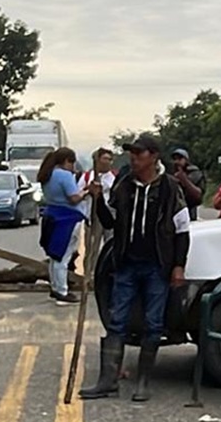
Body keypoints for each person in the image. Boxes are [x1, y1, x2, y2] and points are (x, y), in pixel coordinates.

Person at [81, 134, 190, 402]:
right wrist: (97, 200)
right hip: (126, 264)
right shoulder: (125, 185)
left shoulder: (169, 188)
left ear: (153, 156)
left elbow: (182, 230)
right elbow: (109, 222)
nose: (134, 157)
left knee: (154, 323)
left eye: (139, 153)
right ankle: (108, 381)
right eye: (132, 153)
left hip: (157, 266)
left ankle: (143, 383)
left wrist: (178, 266)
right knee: (117, 321)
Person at [37, 147, 89, 305]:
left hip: (52, 215)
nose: (73, 167)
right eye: (72, 163)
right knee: (63, 257)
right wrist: (85, 192)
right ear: (67, 161)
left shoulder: (47, 174)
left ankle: (55, 287)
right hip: (68, 218)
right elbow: (73, 198)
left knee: (54, 256)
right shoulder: (65, 176)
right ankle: (62, 291)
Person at [78, 147, 117, 244]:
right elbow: (78, 193)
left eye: (109, 159)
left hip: (110, 216)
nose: (107, 162)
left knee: (110, 244)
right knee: (91, 247)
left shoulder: (115, 177)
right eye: (105, 158)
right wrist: (89, 190)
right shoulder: (87, 177)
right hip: (92, 216)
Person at [170, 148, 206, 221]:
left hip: (189, 212)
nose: (176, 161)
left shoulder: (195, 173)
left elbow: (198, 196)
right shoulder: (169, 174)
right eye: (175, 159)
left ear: (186, 160)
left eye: (180, 159)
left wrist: (184, 179)